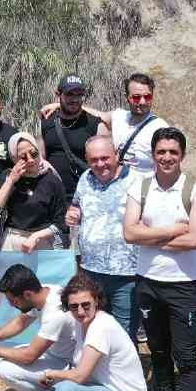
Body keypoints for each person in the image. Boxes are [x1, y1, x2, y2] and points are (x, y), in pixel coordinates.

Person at [122, 126, 196, 391]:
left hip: (182, 286)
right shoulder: (140, 186)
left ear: (182, 155)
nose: (167, 157)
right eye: (161, 152)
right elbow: (129, 232)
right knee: (157, 348)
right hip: (147, 281)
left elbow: (195, 239)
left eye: (173, 152)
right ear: (153, 155)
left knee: (185, 355)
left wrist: (150, 236)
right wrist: (173, 229)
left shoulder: (195, 189)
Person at [66, 135, 140, 341]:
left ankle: (123, 372)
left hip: (126, 273)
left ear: (116, 154)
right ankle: (98, 371)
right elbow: (76, 206)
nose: (100, 164)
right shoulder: (85, 179)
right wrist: (73, 213)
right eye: (94, 160)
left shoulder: (137, 180)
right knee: (93, 327)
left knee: (123, 332)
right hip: (91, 271)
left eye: (105, 158)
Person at [0, 264, 77, 391]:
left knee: (2, 368)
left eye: (13, 301)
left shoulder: (55, 314)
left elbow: (28, 357)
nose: (11, 305)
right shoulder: (42, 291)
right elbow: (20, 322)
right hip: (53, 354)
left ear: (27, 294)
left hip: (67, 365)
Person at [0, 132, 68, 252]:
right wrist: (11, 181)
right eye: (23, 157)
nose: (30, 160)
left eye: (34, 153)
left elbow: (61, 223)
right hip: (13, 241)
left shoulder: (52, 180)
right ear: (14, 158)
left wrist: (36, 236)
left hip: (43, 240)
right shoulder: (7, 178)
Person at [38, 74, 109, 201]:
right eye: (70, 94)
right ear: (58, 94)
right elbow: (40, 159)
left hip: (87, 196)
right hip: (54, 197)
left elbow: (108, 164)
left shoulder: (95, 124)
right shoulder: (46, 123)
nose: (75, 99)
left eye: (79, 95)